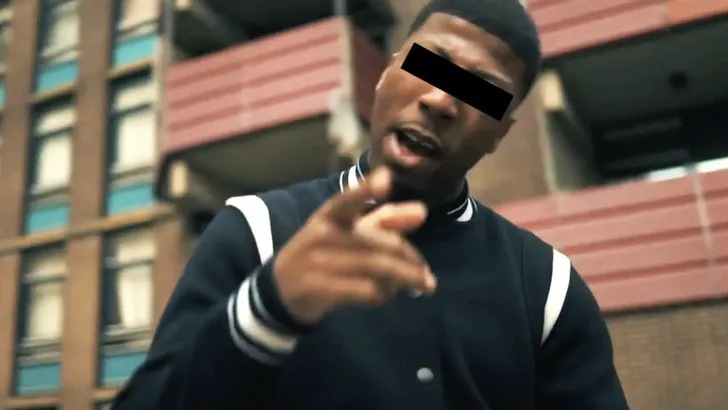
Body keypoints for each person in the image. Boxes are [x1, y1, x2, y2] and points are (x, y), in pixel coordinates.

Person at [111, 0, 630, 409]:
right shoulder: (257, 230)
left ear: (501, 133)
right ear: (386, 71)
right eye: (430, 64)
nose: (441, 100)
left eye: (482, 93)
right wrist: (267, 307)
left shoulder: (547, 287)